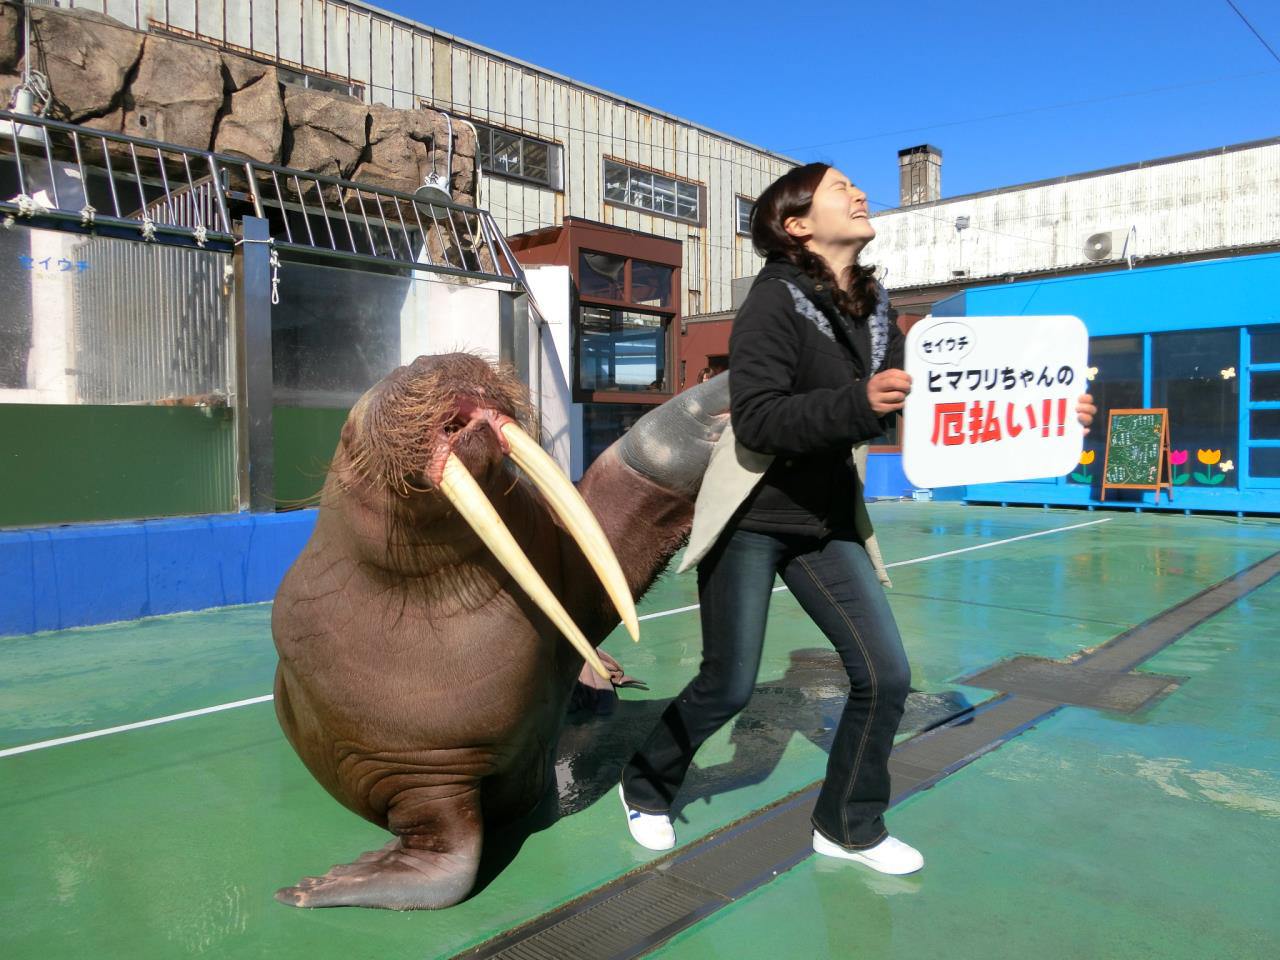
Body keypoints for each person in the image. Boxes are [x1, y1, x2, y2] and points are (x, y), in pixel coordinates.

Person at [618, 162, 1094, 875]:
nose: (861, 193)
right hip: (752, 515)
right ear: (796, 224)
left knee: (886, 676)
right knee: (730, 683)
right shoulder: (771, 304)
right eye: (842, 189)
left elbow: (926, 404)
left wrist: (1045, 413)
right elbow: (759, 418)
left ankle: (847, 826)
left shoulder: (877, 309)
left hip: (828, 520)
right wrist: (859, 404)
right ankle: (646, 784)